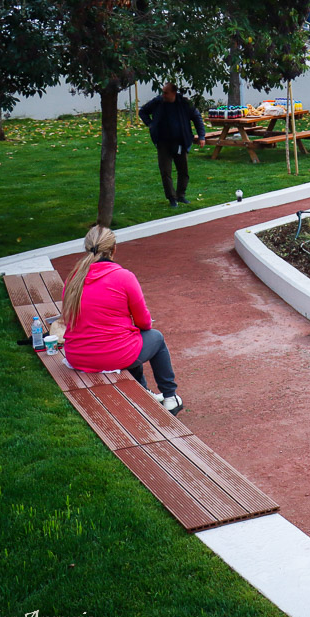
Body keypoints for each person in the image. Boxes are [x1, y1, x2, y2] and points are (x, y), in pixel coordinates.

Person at [61, 225, 184, 414]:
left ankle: (144, 391)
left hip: (77, 355)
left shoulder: (74, 278)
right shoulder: (123, 276)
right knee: (155, 338)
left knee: (129, 340)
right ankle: (170, 397)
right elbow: (144, 322)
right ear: (114, 249)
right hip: (111, 356)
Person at [139, 83, 207, 207]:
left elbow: (197, 117)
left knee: (183, 171)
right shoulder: (158, 102)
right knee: (165, 171)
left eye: (166, 92)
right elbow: (142, 111)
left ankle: (181, 195)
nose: (163, 95)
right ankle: (171, 198)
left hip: (180, 141)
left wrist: (201, 136)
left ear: (173, 93)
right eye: (163, 92)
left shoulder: (184, 103)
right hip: (162, 142)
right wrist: (151, 124)